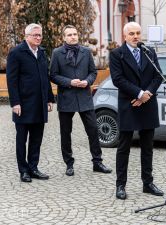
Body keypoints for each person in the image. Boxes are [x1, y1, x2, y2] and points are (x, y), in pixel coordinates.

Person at [109, 22, 163, 200]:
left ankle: (147, 183)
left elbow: (158, 76)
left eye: (138, 33)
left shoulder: (149, 52)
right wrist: (139, 93)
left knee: (147, 147)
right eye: (131, 33)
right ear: (124, 36)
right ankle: (120, 185)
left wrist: (147, 93)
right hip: (129, 104)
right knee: (124, 147)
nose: (135, 36)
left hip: (147, 103)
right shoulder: (117, 54)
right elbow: (118, 79)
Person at [50, 25, 111, 176]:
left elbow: (92, 72)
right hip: (66, 97)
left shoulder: (86, 51)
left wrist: (87, 81)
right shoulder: (57, 53)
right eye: (69, 35)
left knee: (93, 130)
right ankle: (69, 164)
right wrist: (69, 82)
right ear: (64, 37)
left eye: (75, 34)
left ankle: (97, 162)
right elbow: (53, 75)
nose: (73, 37)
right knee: (66, 133)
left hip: (84, 97)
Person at [6, 23, 55, 182]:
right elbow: (11, 80)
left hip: (39, 103)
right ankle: (23, 171)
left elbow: (45, 77)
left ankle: (33, 167)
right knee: (22, 139)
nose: (39, 38)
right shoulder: (16, 53)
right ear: (26, 36)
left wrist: (49, 98)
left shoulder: (41, 52)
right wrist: (15, 103)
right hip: (23, 104)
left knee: (36, 138)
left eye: (40, 35)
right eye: (35, 35)